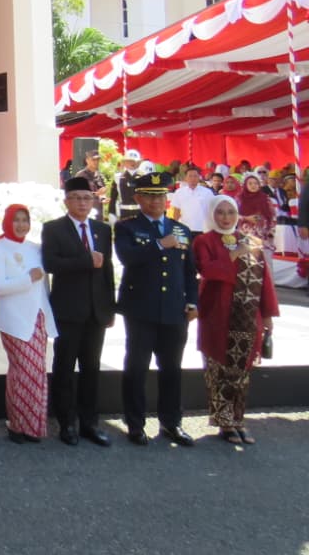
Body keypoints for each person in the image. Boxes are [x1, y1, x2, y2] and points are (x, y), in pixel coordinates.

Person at [114, 171, 198, 446]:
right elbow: (128, 257)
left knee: (171, 368)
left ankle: (172, 422)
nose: (156, 201)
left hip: (174, 310)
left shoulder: (180, 229)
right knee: (137, 367)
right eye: (149, 197)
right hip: (141, 309)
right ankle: (135, 423)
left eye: (160, 196)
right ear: (138, 198)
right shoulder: (128, 227)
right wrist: (160, 244)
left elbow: (189, 271)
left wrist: (192, 301)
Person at [194, 195, 278, 445]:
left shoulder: (252, 241)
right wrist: (233, 255)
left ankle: (238, 419)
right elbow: (207, 270)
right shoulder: (204, 241)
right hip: (217, 315)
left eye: (230, 212)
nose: (226, 217)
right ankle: (224, 422)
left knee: (242, 372)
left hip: (248, 316)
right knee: (219, 370)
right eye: (220, 212)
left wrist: (268, 315)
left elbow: (265, 280)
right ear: (212, 214)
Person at [41, 177, 115, 447]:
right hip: (68, 310)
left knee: (91, 369)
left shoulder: (102, 229)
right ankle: (66, 423)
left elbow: (107, 270)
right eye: (76, 198)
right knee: (64, 367)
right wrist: (85, 260)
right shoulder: (54, 229)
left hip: (96, 311)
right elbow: (50, 263)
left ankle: (89, 423)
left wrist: (110, 308)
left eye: (87, 198)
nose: (83, 203)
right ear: (67, 201)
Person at [0, 204, 56, 444]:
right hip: (14, 319)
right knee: (23, 372)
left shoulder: (35, 248)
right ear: (7, 221)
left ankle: (33, 426)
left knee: (37, 373)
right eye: (16, 219)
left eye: (25, 220)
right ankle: (17, 424)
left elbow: (44, 286)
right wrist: (28, 278)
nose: (21, 224)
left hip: (37, 317)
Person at [170, 165, 215, 234]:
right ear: (185, 178)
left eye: (195, 176)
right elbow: (176, 212)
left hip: (203, 229)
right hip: (185, 229)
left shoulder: (207, 192)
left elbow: (212, 210)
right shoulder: (179, 192)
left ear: (199, 177)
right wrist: (175, 228)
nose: (193, 178)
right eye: (190, 176)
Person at [73, 150, 107, 221]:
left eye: (98, 160)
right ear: (87, 160)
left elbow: (102, 192)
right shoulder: (81, 175)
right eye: (93, 160)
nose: (96, 162)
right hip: (85, 213)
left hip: (98, 214)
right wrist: (95, 194)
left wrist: (103, 199)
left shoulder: (99, 175)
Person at [111, 149, 141, 221]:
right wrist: (111, 213)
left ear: (139, 162)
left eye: (135, 161)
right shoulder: (118, 177)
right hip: (124, 213)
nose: (132, 163)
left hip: (140, 213)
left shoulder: (144, 177)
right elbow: (113, 198)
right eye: (129, 160)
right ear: (125, 162)